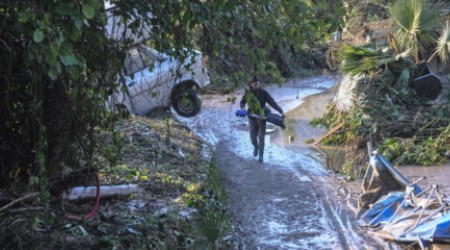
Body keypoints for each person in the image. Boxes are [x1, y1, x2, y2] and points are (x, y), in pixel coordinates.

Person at [240, 76, 284, 163]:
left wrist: (281, 111)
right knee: (252, 138)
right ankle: (256, 147)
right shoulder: (248, 93)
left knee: (261, 137)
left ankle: (261, 156)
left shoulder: (264, 93)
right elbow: (242, 102)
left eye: (258, 83)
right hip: (252, 117)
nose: (256, 85)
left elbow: (272, 102)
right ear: (251, 84)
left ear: (260, 83)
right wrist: (243, 108)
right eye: (254, 84)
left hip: (262, 117)